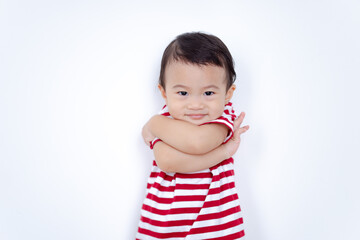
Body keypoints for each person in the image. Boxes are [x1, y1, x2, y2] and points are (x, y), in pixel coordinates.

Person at [136, 32, 250, 239]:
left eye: (208, 93)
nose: (196, 105)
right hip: (164, 224)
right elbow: (167, 161)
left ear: (227, 94)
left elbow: (197, 142)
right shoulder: (166, 117)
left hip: (215, 225)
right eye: (182, 93)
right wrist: (223, 152)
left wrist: (153, 124)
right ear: (164, 93)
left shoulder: (223, 117)